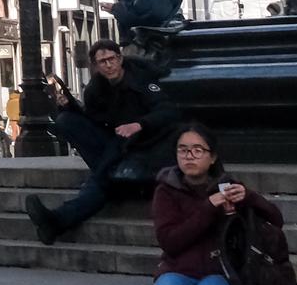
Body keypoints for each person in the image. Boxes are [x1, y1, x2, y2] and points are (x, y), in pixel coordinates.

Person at [152, 124, 280, 285]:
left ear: (212, 158)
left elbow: (276, 220)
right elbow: (170, 241)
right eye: (183, 150)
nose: (189, 156)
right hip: (176, 270)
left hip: (220, 273)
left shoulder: (228, 186)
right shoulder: (166, 191)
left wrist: (250, 198)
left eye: (197, 150)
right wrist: (208, 208)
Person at [23, 40, 183, 246]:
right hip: (117, 142)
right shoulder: (95, 90)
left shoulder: (141, 79)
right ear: (96, 66)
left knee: (102, 179)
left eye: (112, 59)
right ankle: (59, 218)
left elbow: (169, 112)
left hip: (148, 144)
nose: (108, 65)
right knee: (67, 122)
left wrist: (139, 124)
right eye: (102, 62)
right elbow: (95, 121)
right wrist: (69, 108)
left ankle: (57, 220)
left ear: (120, 59)